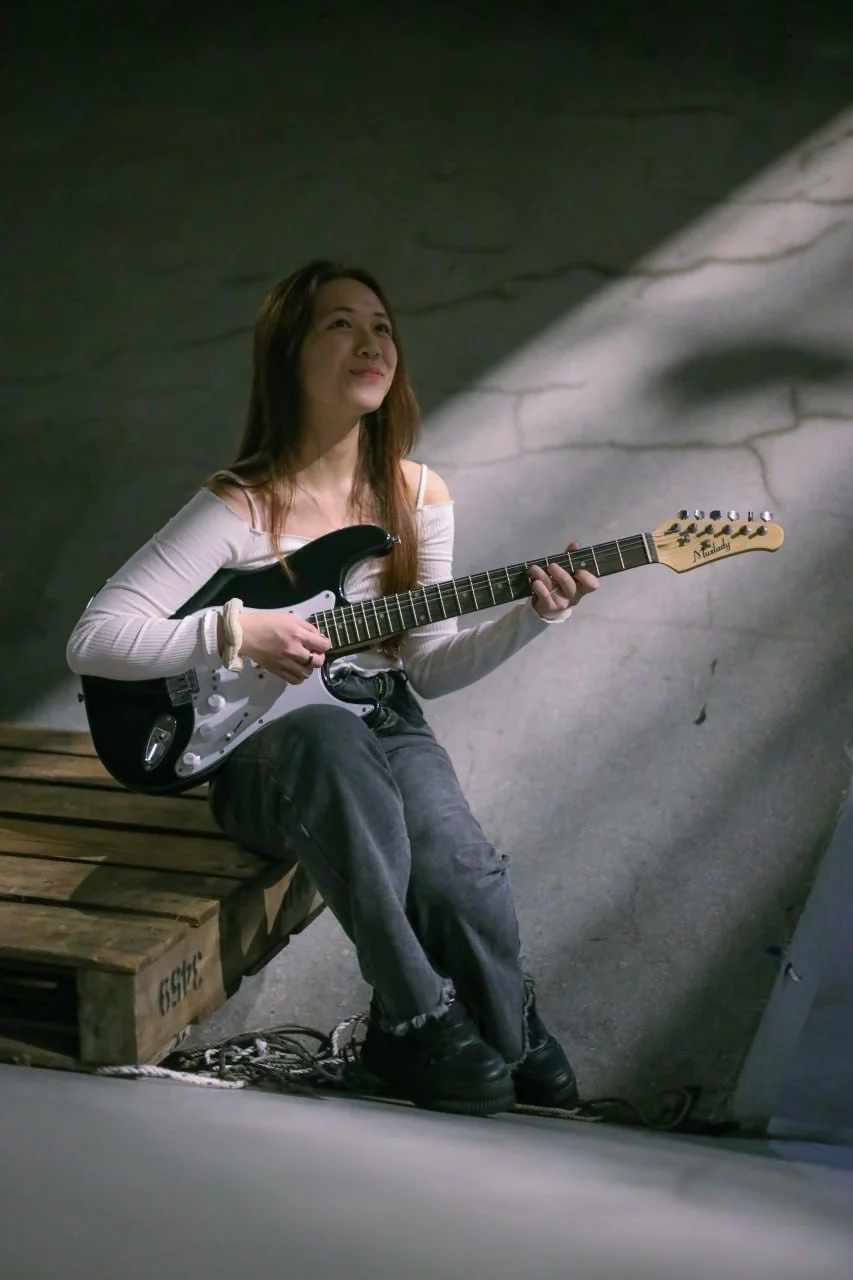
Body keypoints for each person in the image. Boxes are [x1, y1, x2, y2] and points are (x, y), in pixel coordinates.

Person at [66, 259, 599, 1116]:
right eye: (340, 323)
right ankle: (412, 1019)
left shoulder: (417, 495)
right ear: (290, 353)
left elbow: (426, 665)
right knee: (331, 740)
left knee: (461, 869)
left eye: (382, 326)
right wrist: (236, 631)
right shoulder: (240, 505)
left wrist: (534, 616)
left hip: (384, 719)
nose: (371, 341)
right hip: (266, 753)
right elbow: (93, 640)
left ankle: (507, 1017)